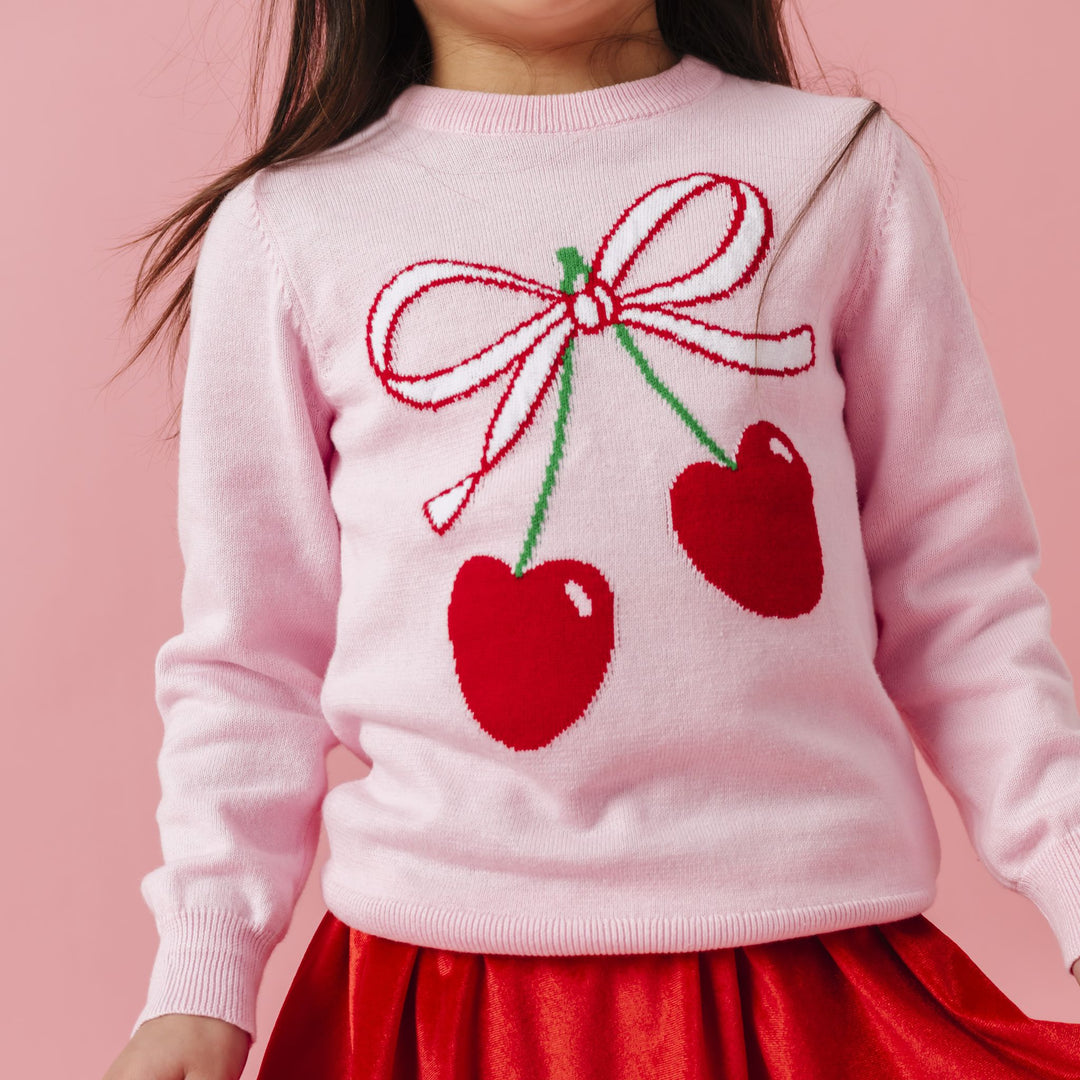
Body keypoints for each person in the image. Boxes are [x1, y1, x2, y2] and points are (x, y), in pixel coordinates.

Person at [101, 0, 1080, 1077]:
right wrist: (203, 975)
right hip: (434, 998)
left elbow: (962, 605)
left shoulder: (840, 169)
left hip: (812, 971)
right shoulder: (290, 229)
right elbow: (253, 664)